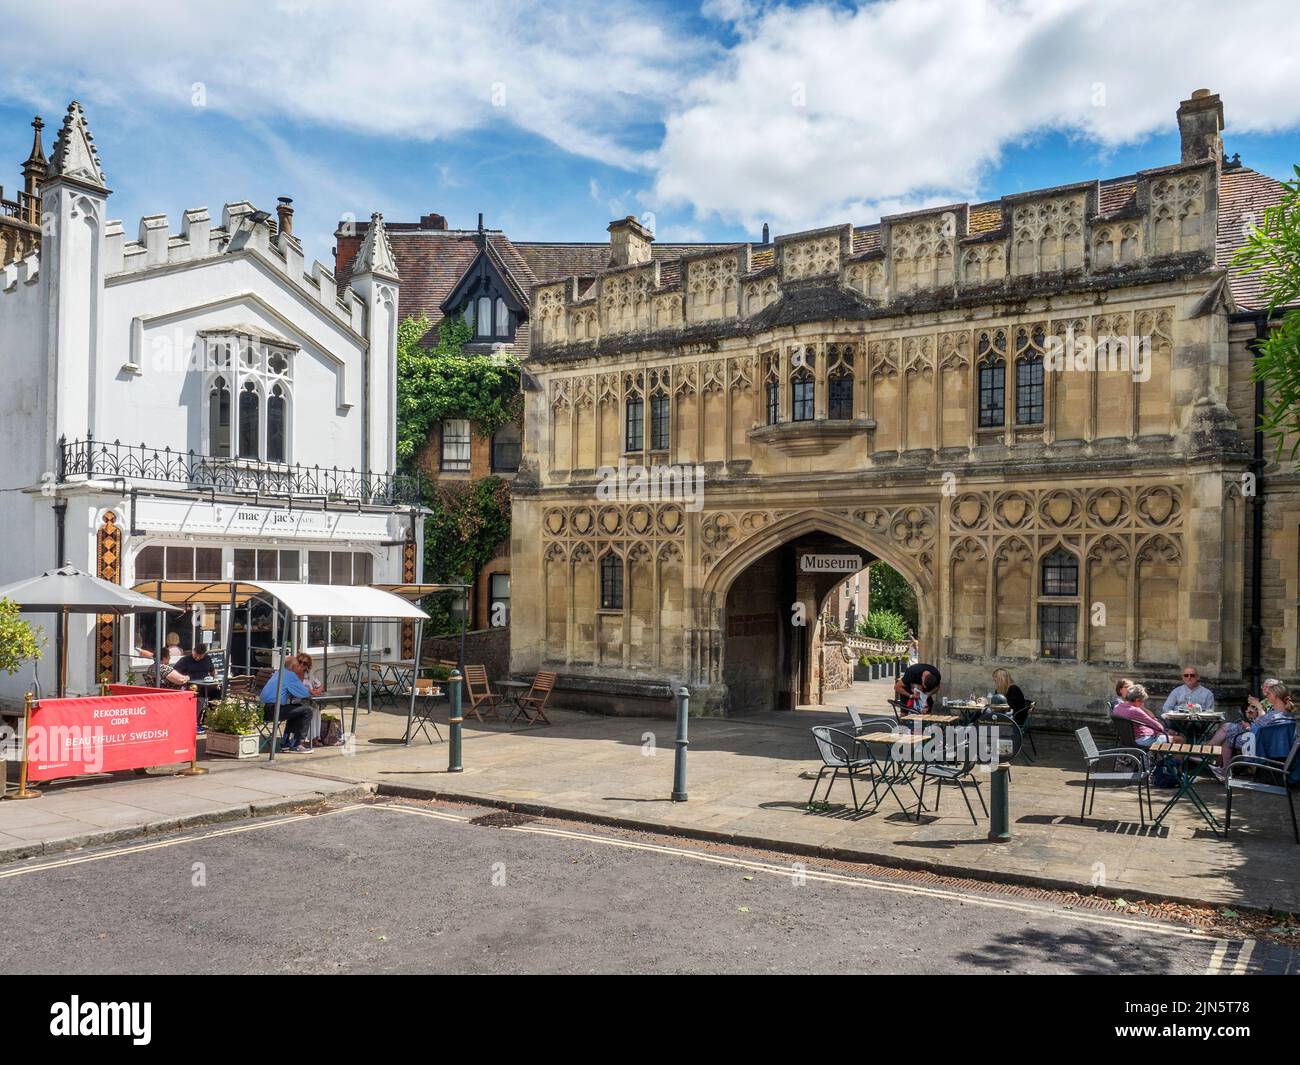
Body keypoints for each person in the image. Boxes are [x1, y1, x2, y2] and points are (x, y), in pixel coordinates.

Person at [1208, 680, 1294, 783]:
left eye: (1269, 693)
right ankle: (1224, 770)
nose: (1267, 694)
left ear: (1275, 696)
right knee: (1229, 733)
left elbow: (1257, 728)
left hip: (1260, 749)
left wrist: (1258, 707)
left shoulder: (1273, 716)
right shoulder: (1288, 715)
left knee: (1228, 737)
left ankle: (1221, 767)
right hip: (1275, 749)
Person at [259, 656, 315, 753]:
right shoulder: (290, 675)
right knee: (307, 710)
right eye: (298, 665)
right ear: (293, 667)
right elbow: (304, 693)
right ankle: (297, 744)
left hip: (262, 710)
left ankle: (285, 742)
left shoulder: (278, 673)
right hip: (273, 711)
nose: (299, 667)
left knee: (296, 710)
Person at [1113, 684, 1182, 749]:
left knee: (1167, 733)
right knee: (1180, 739)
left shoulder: (1117, 707)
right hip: (1141, 740)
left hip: (1126, 740)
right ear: (1137, 700)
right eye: (1142, 701)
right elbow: (1159, 727)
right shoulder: (1135, 710)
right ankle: (1175, 762)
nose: (1143, 704)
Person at [294, 652, 328, 748]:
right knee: (309, 710)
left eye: (305, 663)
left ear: (308, 666)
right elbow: (297, 688)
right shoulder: (294, 674)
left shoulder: (309, 674)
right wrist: (309, 691)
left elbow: (321, 686)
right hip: (296, 701)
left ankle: (315, 737)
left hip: (309, 700)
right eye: (300, 662)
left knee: (316, 708)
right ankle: (302, 738)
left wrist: (317, 690)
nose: (302, 665)